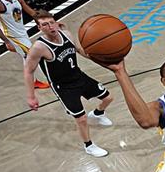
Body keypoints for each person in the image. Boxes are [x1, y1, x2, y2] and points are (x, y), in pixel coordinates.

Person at [23, 10, 114, 157]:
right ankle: (89, 146)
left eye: (52, 22)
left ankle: (98, 113)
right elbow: (28, 71)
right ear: (39, 28)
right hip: (63, 87)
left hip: (79, 76)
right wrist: (31, 97)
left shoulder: (66, 34)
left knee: (108, 97)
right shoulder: (38, 47)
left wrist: (101, 60)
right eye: (45, 25)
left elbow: (79, 50)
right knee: (81, 118)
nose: (50, 27)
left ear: (56, 22)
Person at [0, 0, 49, 89]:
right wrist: (6, 41)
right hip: (11, 36)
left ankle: (33, 81)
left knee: (26, 57)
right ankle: (46, 78)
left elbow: (31, 11)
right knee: (33, 55)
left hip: (22, 32)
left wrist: (41, 22)